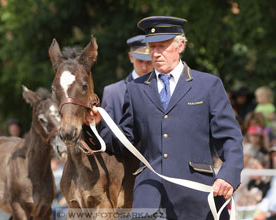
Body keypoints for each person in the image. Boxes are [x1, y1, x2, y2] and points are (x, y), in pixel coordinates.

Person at [86, 16, 243, 219]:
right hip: (149, 197)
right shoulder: (135, 89)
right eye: (152, 47)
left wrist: (228, 176)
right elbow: (124, 141)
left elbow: (230, 138)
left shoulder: (208, 85)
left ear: (181, 45)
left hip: (196, 194)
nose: (156, 53)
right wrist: (96, 124)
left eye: (162, 46)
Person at [101, 35, 153, 124]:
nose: (144, 67)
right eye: (140, 61)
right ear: (131, 57)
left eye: (149, 61)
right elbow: (107, 133)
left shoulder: (163, 88)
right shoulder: (113, 93)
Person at [253, 142, 276, 220]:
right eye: (273, 156)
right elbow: (269, 199)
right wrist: (259, 210)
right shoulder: (273, 176)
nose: (274, 158)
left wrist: (267, 214)